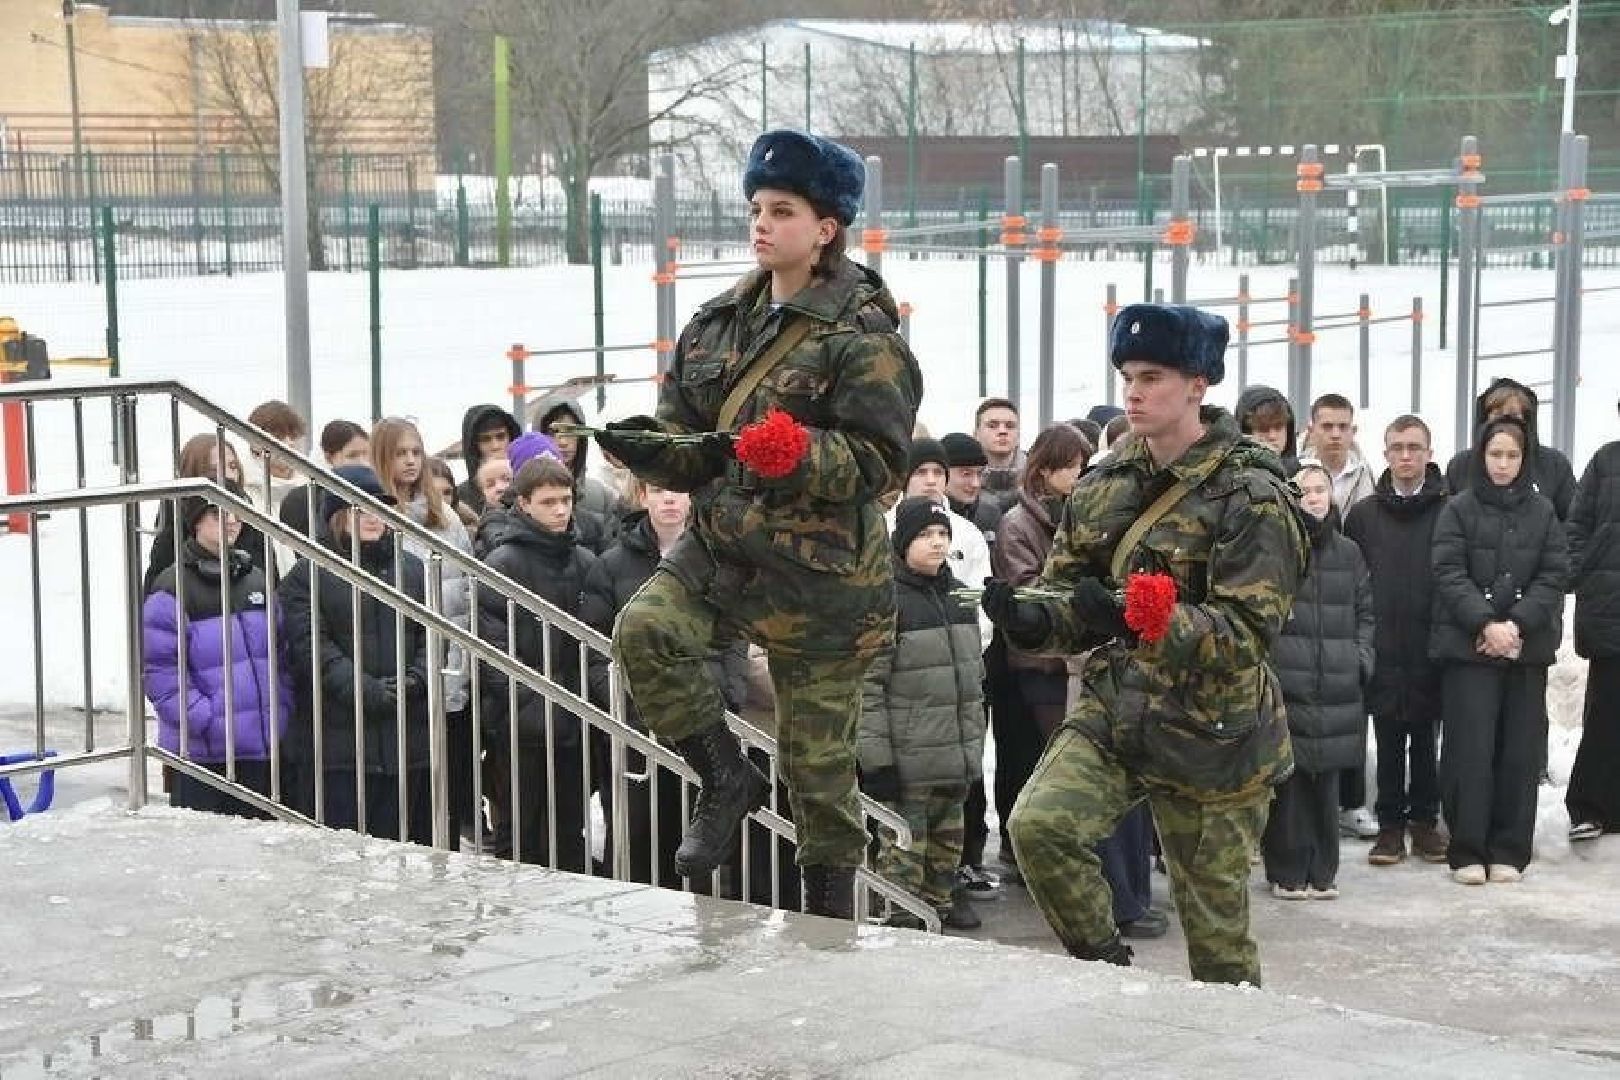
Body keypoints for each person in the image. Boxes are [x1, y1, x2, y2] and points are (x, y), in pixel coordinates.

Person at [599, 129, 922, 918]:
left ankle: (827, 920)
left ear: (826, 228)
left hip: (822, 580)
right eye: (756, 208)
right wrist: (651, 449)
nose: (762, 224)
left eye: (783, 210)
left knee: (818, 776)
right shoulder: (715, 324)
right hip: (726, 552)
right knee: (644, 632)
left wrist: (798, 453)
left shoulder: (864, 336)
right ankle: (723, 775)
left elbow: (881, 465)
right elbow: (689, 434)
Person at [989, 302, 1308, 984]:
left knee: (1217, 947)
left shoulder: (1250, 493)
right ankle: (1109, 971)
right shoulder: (1105, 482)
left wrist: (1137, 617)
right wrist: (1028, 615)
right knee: (1040, 828)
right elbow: (1069, 593)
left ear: (1198, 383)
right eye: (1128, 374)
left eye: (1152, 376)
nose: (1132, 390)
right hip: (1120, 710)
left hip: (1215, 734)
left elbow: (1247, 635)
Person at [579, 478, 753, 890]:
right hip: (641, 728)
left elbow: (735, 635)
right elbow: (594, 645)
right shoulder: (612, 565)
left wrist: (729, 693)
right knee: (643, 839)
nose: (670, 497)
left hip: (709, 717)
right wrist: (624, 702)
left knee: (706, 837)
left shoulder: (717, 558)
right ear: (642, 497)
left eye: (677, 489)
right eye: (658, 490)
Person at [1430, 417, 1567, 885]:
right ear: (1480, 456)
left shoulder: (1543, 511)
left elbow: (1553, 573)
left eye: (1512, 455)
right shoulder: (1459, 509)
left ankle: (1510, 848)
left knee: (1518, 751)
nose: (1503, 464)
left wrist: (1516, 623)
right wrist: (1486, 622)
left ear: (1524, 458)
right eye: (1495, 455)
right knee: (1470, 750)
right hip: (1470, 649)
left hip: (1524, 650)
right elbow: (1448, 571)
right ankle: (1467, 849)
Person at [279, 465, 431, 843]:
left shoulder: (411, 570)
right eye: (360, 508)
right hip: (337, 748)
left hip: (403, 741)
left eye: (379, 508)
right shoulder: (307, 574)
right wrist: (366, 691)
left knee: (401, 851)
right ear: (337, 514)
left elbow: (430, 637)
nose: (373, 517)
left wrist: (417, 679)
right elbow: (313, 648)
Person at [859, 497, 986, 931]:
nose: (937, 543)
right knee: (902, 859)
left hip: (954, 761)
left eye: (942, 534)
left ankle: (939, 913)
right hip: (908, 764)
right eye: (925, 535)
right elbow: (868, 689)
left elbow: (972, 683)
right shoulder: (886, 602)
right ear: (902, 542)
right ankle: (900, 923)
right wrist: (876, 761)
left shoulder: (960, 597)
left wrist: (972, 748)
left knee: (946, 856)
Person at [476, 455, 601, 868]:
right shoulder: (503, 563)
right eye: (549, 502)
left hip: (576, 722)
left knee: (569, 829)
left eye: (566, 500)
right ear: (524, 503)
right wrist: (532, 708)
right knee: (518, 831)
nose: (561, 510)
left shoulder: (585, 561)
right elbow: (494, 651)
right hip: (520, 727)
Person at [1262, 465, 1374, 901]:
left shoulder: (1349, 552)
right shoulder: (1276, 551)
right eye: (1303, 490)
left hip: (1336, 684)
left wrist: (1360, 660)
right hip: (1287, 683)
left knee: (1326, 783)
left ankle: (1323, 870)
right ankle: (1287, 869)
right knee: (1288, 784)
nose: (1312, 497)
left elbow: (1366, 612)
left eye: (1320, 489)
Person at [1343, 415, 1451, 866]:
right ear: (1385, 454)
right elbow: (1351, 580)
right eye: (1397, 448)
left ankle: (1425, 823)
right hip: (1383, 643)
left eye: (1414, 447)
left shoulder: (1449, 509)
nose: (1406, 457)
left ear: (1429, 452)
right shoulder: (1365, 514)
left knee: (1426, 738)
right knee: (1386, 738)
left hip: (1430, 641)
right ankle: (1389, 827)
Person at [142, 496, 292, 818]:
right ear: (195, 520)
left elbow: (281, 654)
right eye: (217, 512)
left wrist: (281, 707)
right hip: (202, 754)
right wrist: (206, 719)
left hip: (259, 748)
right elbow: (160, 674)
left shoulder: (256, 579)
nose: (230, 520)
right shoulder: (172, 586)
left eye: (236, 513)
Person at [1300, 393, 1378, 840]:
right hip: (1305, 620)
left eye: (1342, 426)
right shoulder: (1295, 476)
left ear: (1353, 430)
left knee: (1346, 720)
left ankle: (1351, 803)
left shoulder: (1368, 478)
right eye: (1326, 425)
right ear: (1312, 427)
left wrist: (1360, 653)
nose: (1335, 433)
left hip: (1347, 606)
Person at [1566, 399, 1620, 842]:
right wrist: (1585, 571)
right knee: (1605, 712)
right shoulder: (1605, 461)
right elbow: (1577, 527)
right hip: (1610, 606)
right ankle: (1590, 807)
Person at [885, 436, 992, 649]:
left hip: (960, 653)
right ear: (906, 476)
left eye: (938, 472)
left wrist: (969, 652)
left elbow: (980, 601)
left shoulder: (968, 534)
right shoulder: (883, 526)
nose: (931, 480)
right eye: (921, 472)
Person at [145, 434, 272, 593]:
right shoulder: (174, 526)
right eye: (214, 469)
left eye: (233, 466)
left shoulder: (251, 519)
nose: (229, 475)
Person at [1444, 378, 1576, 521]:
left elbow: (1571, 521)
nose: (1504, 423)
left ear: (1527, 421)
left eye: (1513, 416)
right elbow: (1448, 522)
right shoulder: (1461, 465)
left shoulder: (1554, 465)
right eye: (1497, 415)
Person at [279, 420, 370, 540]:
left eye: (366, 454)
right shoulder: (301, 500)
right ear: (329, 457)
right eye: (352, 455)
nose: (363, 463)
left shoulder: (376, 495)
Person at [535, 400, 623, 522]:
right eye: (552, 433)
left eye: (570, 432)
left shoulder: (601, 496)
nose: (563, 442)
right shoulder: (520, 496)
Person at [455, 404, 522, 515]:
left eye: (500, 437)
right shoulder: (460, 497)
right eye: (485, 439)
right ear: (474, 445)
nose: (495, 446)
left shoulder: (530, 485)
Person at [940, 431, 1004, 548]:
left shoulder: (989, 516)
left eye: (979, 474)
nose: (975, 483)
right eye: (966, 474)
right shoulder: (923, 515)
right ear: (942, 473)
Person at [1234, 384, 1300, 475]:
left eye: (1278, 427)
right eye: (1263, 429)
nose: (1272, 436)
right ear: (1246, 432)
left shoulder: (1305, 476)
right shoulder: (1233, 476)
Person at [974, 398, 1024, 510]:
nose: (1002, 431)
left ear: (1018, 434)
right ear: (976, 433)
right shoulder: (963, 481)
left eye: (1010, 426)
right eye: (992, 425)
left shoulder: (1037, 478)